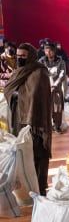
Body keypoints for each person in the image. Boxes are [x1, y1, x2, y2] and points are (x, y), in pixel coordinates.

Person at [4, 43, 52, 195]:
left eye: (23, 56)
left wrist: (20, 95)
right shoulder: (19, 71)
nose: (20, 58)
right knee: (23, 153)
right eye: (18, 56)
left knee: (37, 153)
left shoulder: (40, 72)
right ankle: (25, 189)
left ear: (30, 56)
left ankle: (39, 188)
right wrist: (15, 95)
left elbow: (37, 96)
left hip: (36, 121)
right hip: (19, 118)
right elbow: (9, 89)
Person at [39, 42, 66, 132]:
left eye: (50, 50)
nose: (48, 52)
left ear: (54, 51)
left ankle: (57, 126)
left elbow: (62, 74)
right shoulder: (41, 61)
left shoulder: (60, 61)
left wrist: (54, 85)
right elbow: (39, 74)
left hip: (57, 88)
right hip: (45, 89)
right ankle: (46, 126)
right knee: (45, 108)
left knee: (57, 108)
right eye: (46, 50)